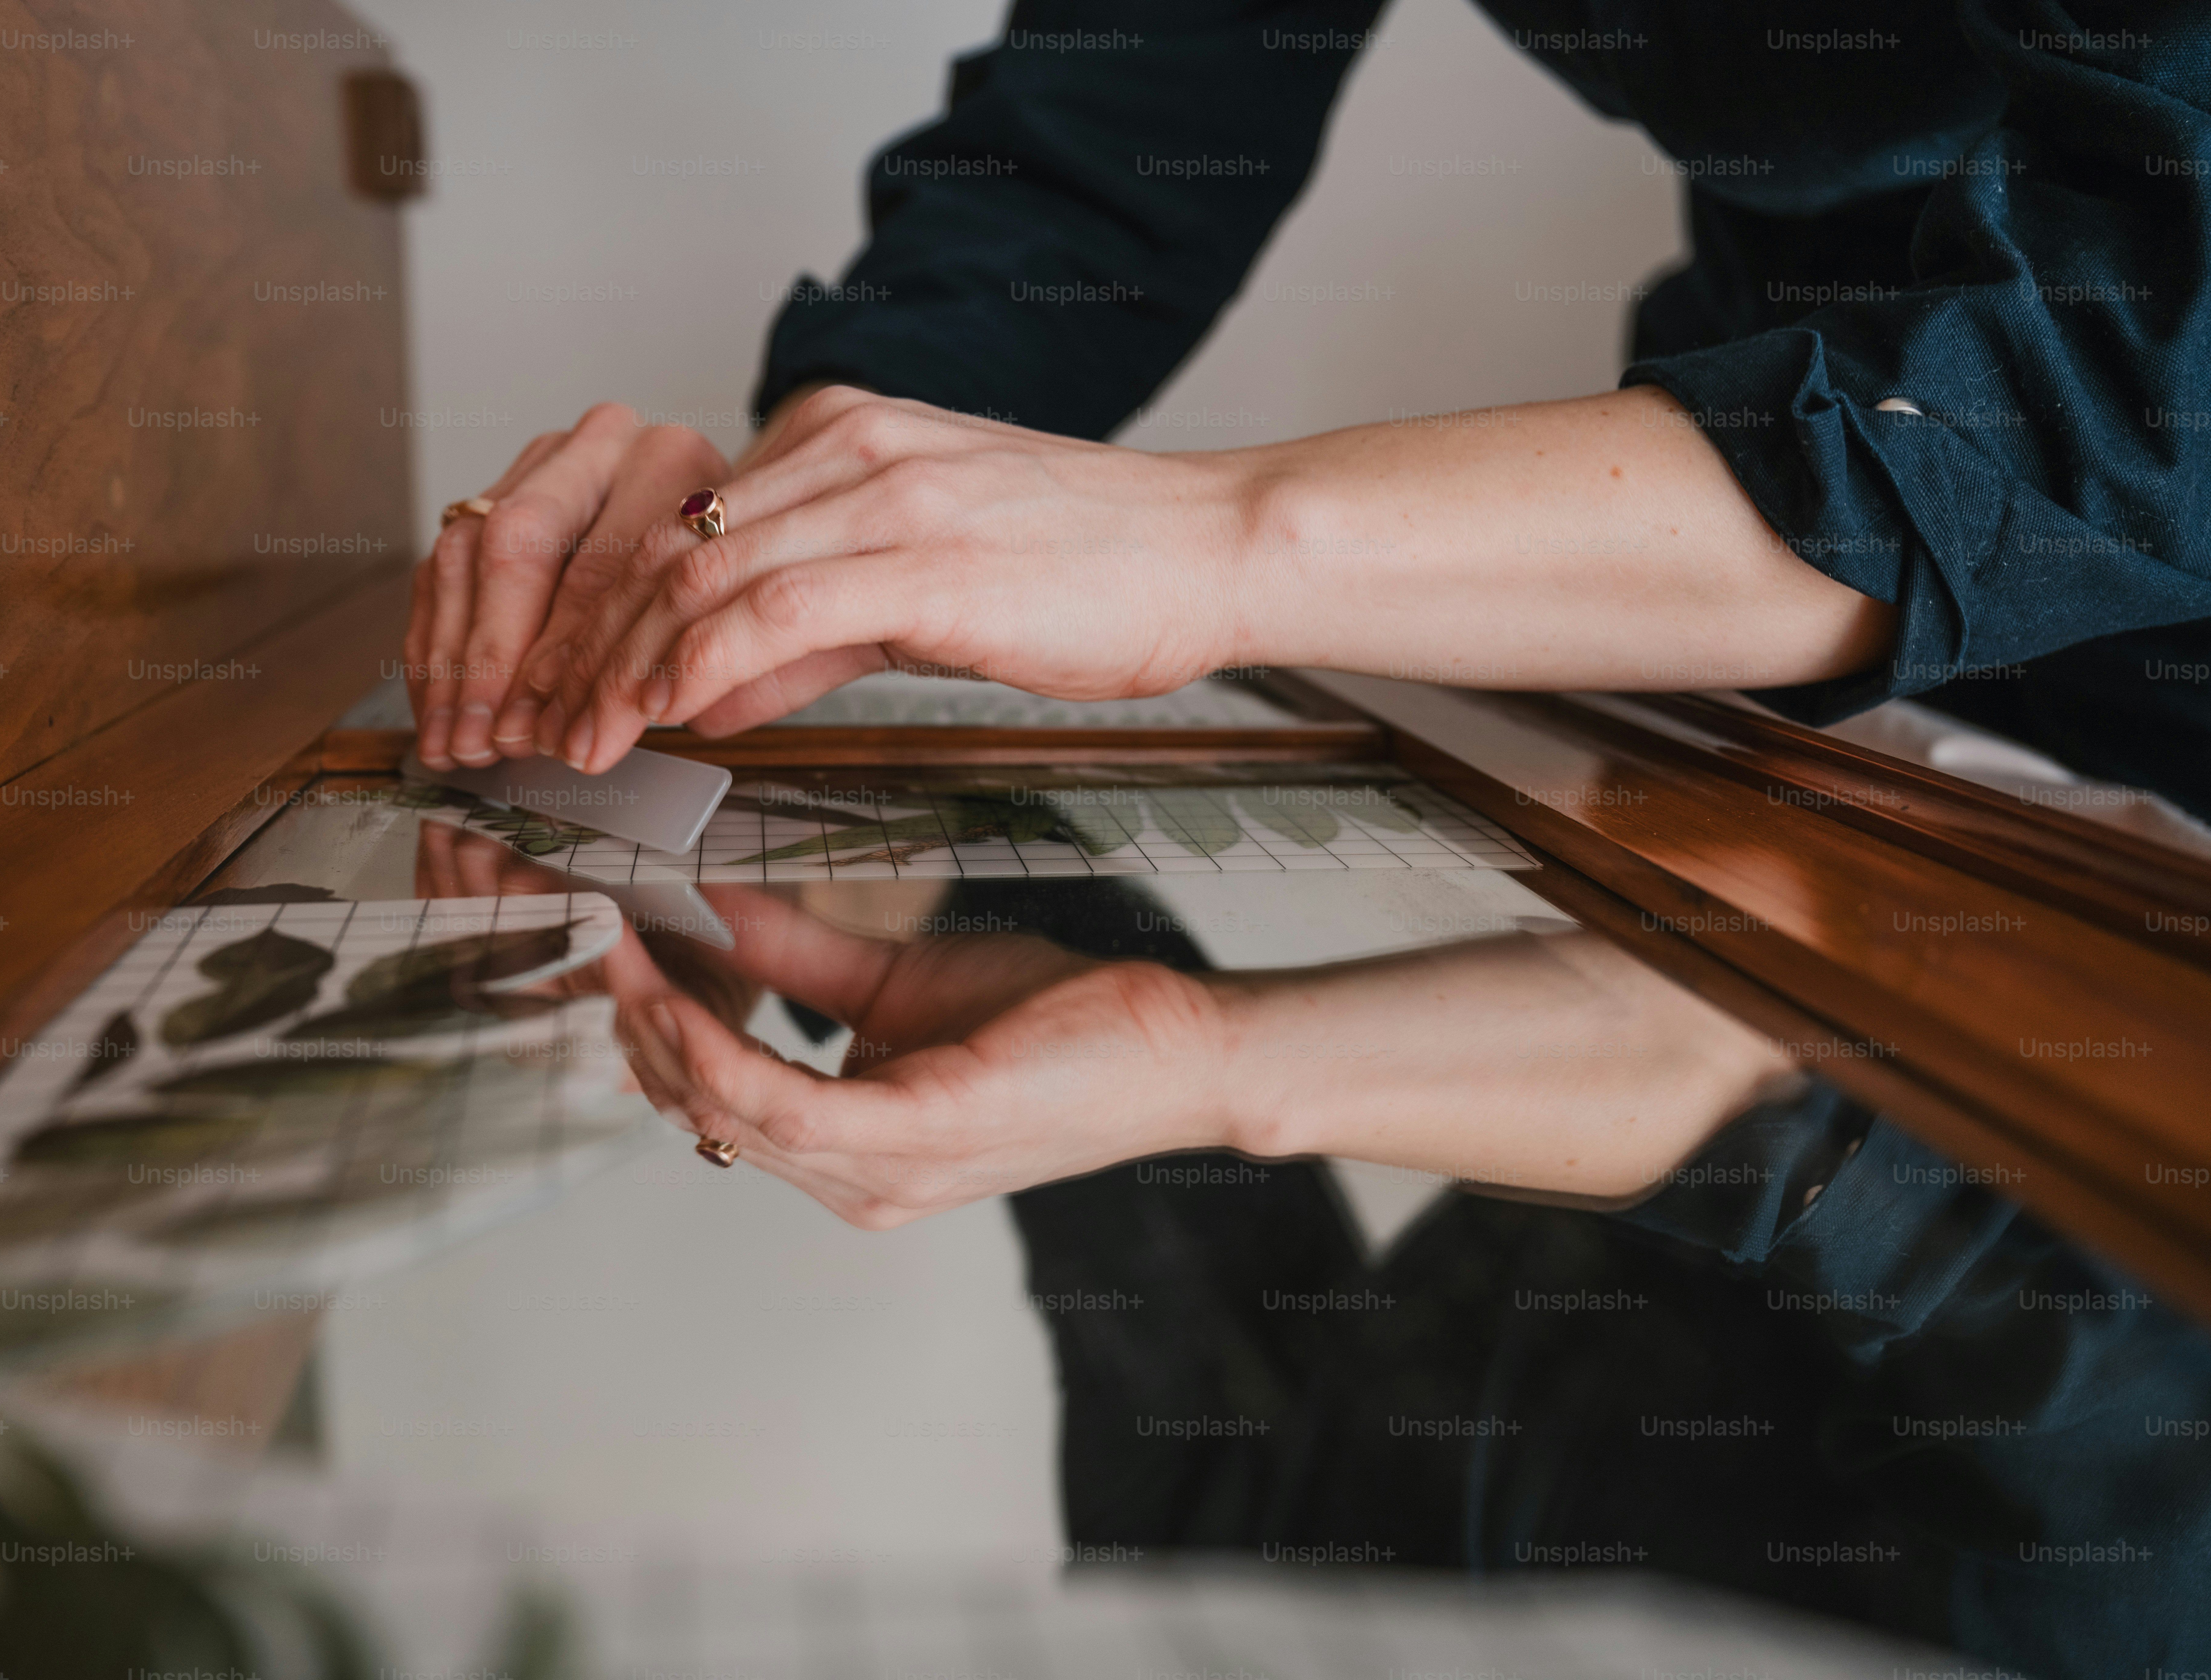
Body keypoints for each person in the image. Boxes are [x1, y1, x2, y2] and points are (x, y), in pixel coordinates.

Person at [402, 4, 2211, 1673]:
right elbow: (1139, 92)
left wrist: (1237, 546)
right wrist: (817, 491)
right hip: (1760, 737)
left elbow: (2157, 361)